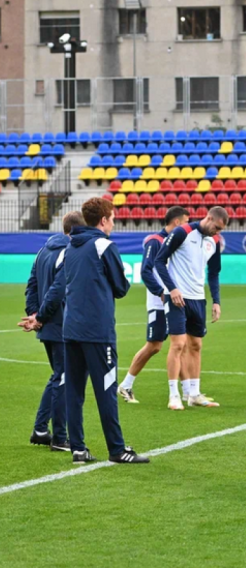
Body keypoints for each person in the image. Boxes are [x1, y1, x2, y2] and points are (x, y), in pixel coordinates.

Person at [29, 198, 148, 464]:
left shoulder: (69, 247)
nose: (114, 223)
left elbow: (56, 289)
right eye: (113, 218)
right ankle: (117, 449)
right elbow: (121, 287)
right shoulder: (104, 245)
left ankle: (78, 449)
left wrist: (39, 317)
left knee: (74, 393)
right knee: (106, 390)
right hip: (98, 333)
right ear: (104, 220)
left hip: (69, 332)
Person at [22, 211, 85, 452]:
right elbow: (58, 291)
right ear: (78, 230)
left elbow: (32, 286)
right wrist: (40, 316)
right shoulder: (68, 253)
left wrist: (35, 315)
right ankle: (60, 438)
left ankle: (40, 430)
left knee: (58, 375)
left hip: (48, 325)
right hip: (61, 325)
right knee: (63, 378)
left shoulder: (42, 251)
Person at [154, 206, 228, 410]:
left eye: (220, 230)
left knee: (196, 345)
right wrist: (172, 289)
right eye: (217, 227)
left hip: (198, 298)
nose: (217, 232)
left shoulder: (214, 241)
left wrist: (216, 301)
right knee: (178, 345)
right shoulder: (183, 232)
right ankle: (174, 394)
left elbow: (214, 273)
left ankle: (194, 394)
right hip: (177, 297)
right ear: (209, 217)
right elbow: (159, 261)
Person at [118, 206, 189, 403]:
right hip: (159, 303)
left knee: (179, 345)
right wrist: (160, 293)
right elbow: (146, 271)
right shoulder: (155, 241)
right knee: (155, 346)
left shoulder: (175, 243)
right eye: (185, 222)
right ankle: (126, 385)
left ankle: (189, 391)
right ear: (176, 222)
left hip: (174, 301)